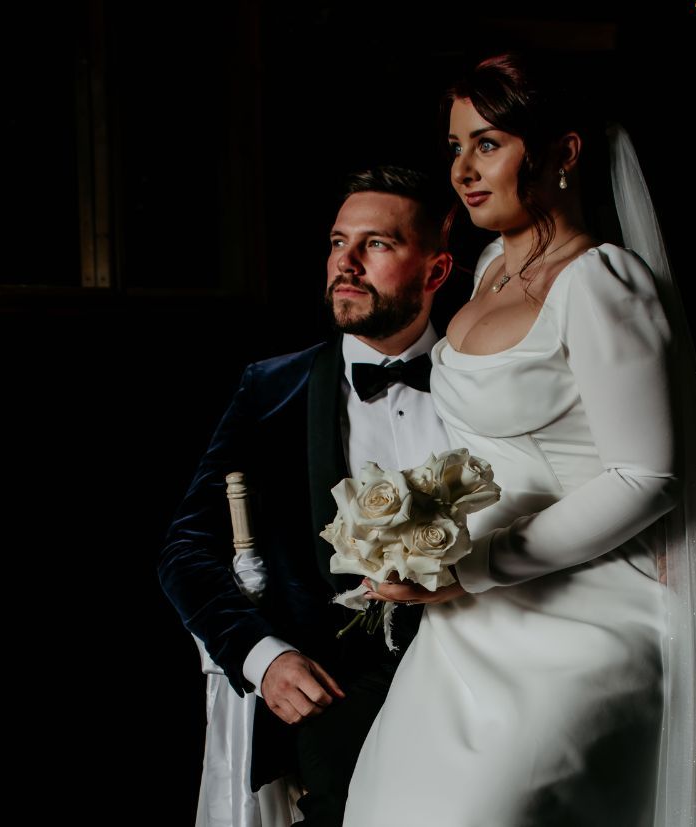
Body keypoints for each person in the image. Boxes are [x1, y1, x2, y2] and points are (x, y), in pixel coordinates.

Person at [344, 55, 696, 826]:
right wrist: (413, 538)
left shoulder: (600, 283)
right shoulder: (487, 269)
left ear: (564, 152)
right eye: (454, 147)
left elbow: (646, 477)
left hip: (588, 610)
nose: (462, 170)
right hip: (468, 619)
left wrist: (475, 564)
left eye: (487, 144)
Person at [158, 165, 455, 827]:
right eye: (337, 242)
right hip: (336, 694)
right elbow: (185, 550)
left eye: (375, 244)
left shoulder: (485, 379)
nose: (345, 263)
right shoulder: (272, 389)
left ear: (435, 271)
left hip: (478, 669)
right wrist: (264, 658)